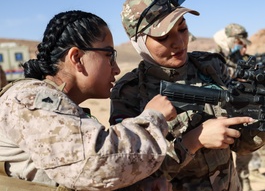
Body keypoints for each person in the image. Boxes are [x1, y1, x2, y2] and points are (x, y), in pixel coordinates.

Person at [110, 0, 265, 191]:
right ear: (138, 42)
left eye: (182, 29)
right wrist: (193, 142)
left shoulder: (210, 66)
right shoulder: (129, 93)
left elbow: (241, 144)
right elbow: (132, 175)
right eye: (163, 37)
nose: (179, 42)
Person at [0, 10, 177, 191]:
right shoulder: (30, 99)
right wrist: (154, 119)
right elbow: (95, 164)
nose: (116, 69)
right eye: (109, 55)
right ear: (76, 58)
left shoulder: (57, 104)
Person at [214, 23, 265, 191]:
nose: (242, 47)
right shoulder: (214, 58)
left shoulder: (238, 58)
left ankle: (247, 181)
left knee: (248, 147)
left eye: (243, 43)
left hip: (244, 108)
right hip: (222, 113)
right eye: (239, 42)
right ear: (229, 40)